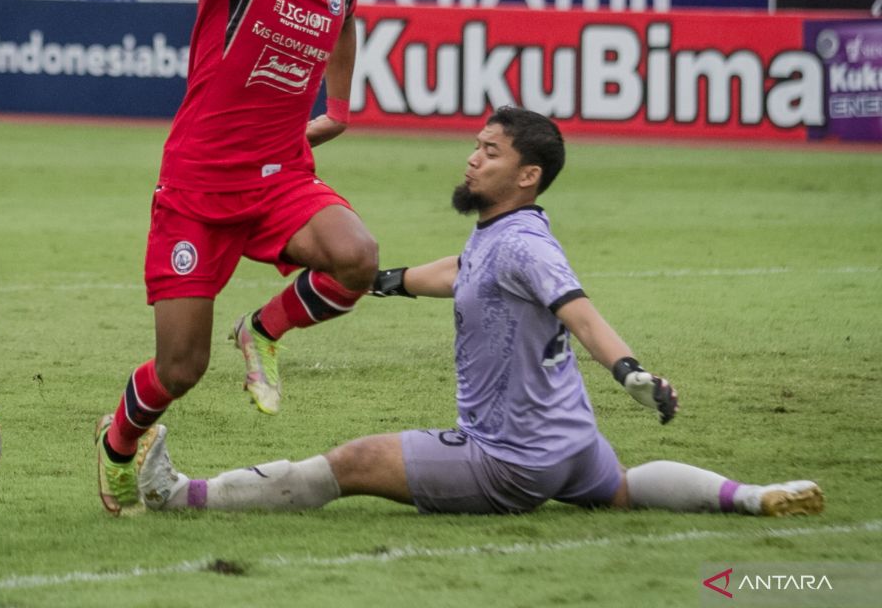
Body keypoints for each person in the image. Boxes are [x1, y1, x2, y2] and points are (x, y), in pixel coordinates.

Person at [133, 107, 825, 519]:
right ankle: (752, 497)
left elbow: (580, 311)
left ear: (527, 176)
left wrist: (629, 371)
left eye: (490, 154)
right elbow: (463, 273)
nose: (471, 161)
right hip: (571, 445)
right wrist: (382, 280)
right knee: (617, 491)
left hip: (510, 461)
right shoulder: (505, 235)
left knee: (349, 464)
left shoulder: (524, 246)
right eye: (476, 146)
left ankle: (183, 496)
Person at [95, 0, 379, 515]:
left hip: (281, 180)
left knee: (357, 259)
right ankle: (118, 443)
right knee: (179, 370)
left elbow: (343, 29)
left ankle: (264, 330)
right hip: (196, 191)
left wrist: (336, 107)